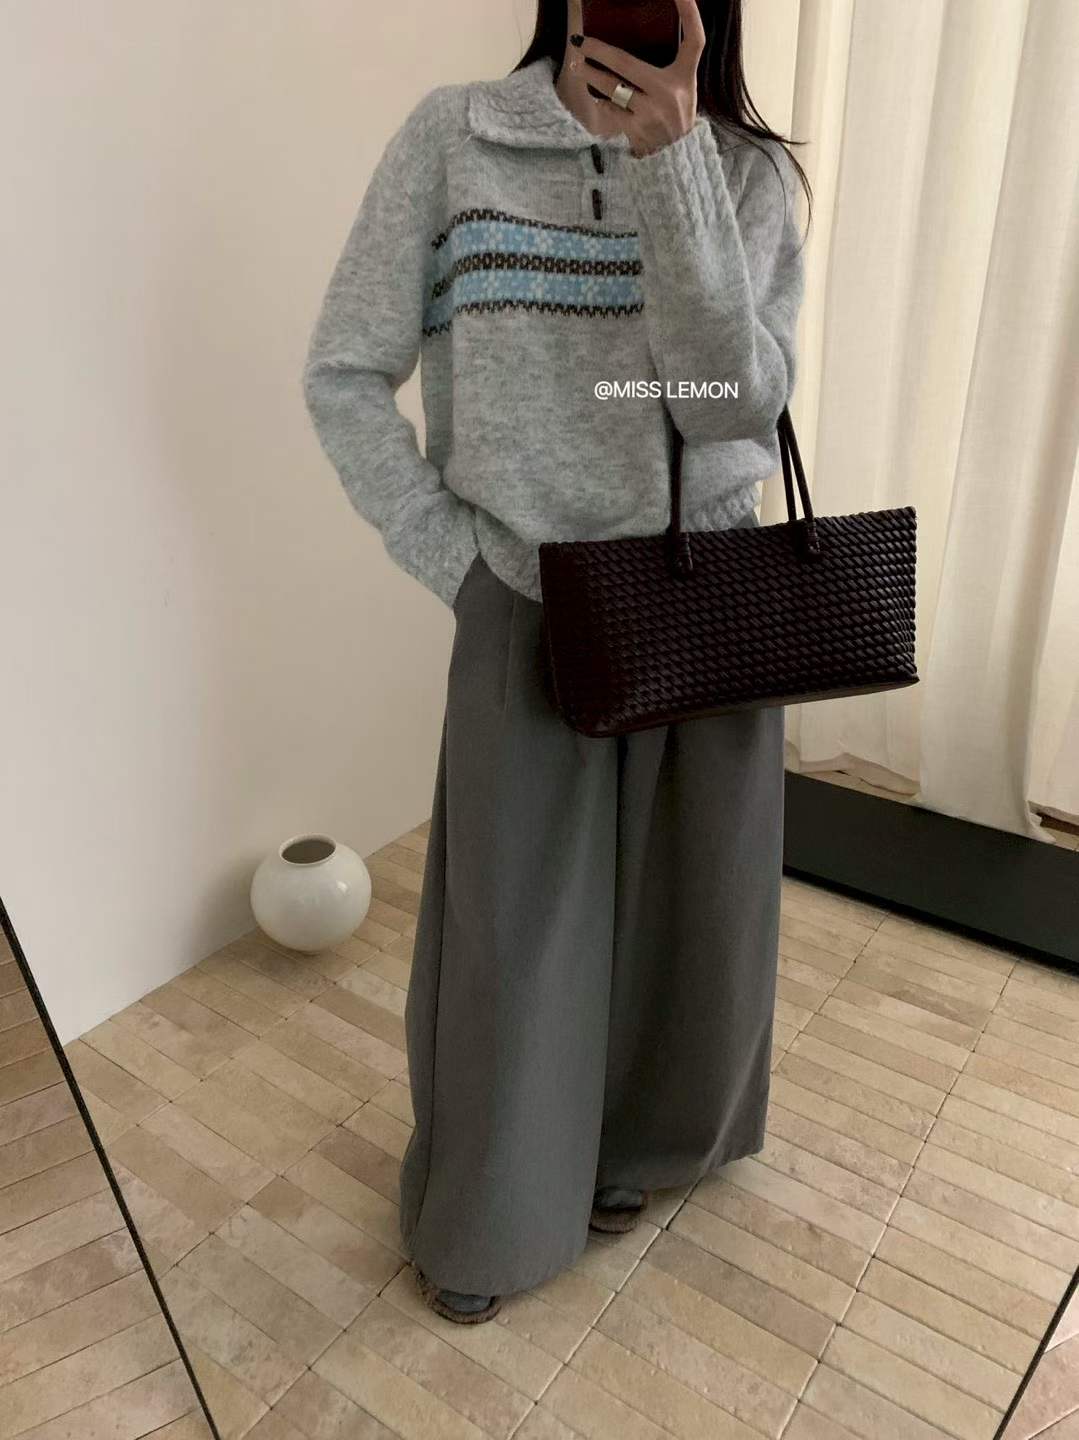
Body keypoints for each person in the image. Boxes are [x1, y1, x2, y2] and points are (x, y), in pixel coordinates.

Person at [302, 0, 809, 1325]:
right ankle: (494, 1215)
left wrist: (674, 167)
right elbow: (344, 373)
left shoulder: (747, 175)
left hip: (706, 594)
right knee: (514, 943)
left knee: (693, 914)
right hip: (528, 598)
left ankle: (641, 1150)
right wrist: (456, 562)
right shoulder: (454, 140)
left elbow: (730, 402)